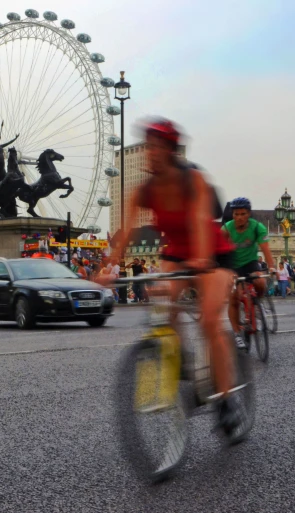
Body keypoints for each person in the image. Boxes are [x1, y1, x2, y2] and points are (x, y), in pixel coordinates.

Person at [105, 117, 241, 434]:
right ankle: (182, 357)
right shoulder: (144, 190)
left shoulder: (191, 179)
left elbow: (197, 218)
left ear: (169, 150)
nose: (148, 153)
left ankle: (225, 400)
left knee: (210, 320)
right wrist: (107, 267)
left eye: (154, 147)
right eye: (147, 147)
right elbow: (124, 232)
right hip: (176, 252)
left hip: (213, 252)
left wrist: (202, 259)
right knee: (161, 301)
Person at [221, 197, 277, 348]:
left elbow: (265, 249)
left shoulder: (257, 227)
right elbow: (220, 253)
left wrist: (272, 268)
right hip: (232, 265)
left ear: (249, 214)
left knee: (260, 281)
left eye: (243, 214)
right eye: (236, 214)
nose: (239, 217)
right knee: (234, 298)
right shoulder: (226, 229)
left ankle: (257, 303)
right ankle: (237, 334)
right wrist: (225, 272)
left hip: (250, 263)